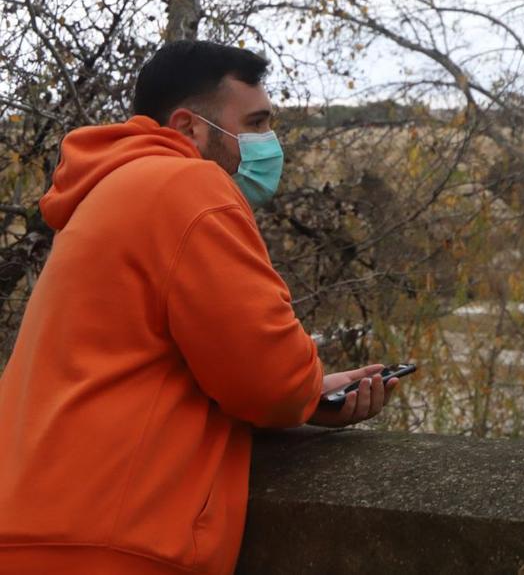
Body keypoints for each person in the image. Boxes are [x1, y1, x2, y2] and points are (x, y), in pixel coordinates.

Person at [0, 40, 399, 574]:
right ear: (188, 127)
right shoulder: (188, 184)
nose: (267, 143)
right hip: (117, 540)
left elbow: (151, 365)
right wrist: (303, 389)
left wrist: (311, 393)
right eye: (255, 124)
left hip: (45, 527)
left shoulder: (109, 191)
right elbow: (269, 378)